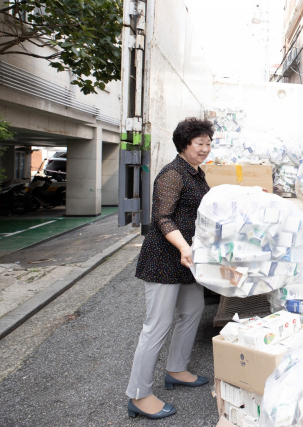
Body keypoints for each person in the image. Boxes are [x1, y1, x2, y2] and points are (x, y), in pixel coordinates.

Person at [125, 117, 214, 419]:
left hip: (188, 260)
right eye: (200, 143)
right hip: (165, 259)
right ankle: (138, 395)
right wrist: (183, 246)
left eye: (208, 143)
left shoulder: (197, 174)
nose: (206, 148)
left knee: (193, 311)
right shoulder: (171, 175)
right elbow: (162, 217)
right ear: (184, 145)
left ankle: (176, 368)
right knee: (157, 326)